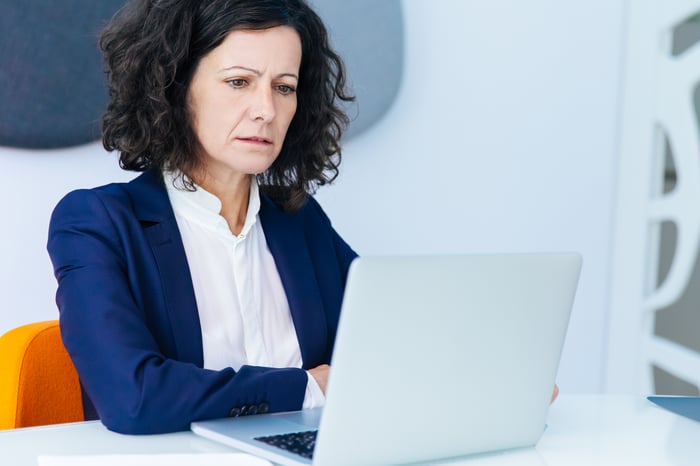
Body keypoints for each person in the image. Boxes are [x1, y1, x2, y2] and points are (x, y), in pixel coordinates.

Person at [47, 0, 356, 435]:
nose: (266, 109)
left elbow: (385, 351)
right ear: (174, 86)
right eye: (238, 82)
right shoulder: (97, 223)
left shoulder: (301, 221)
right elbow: (136, 398)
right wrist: (306, 387)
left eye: (284, 87)